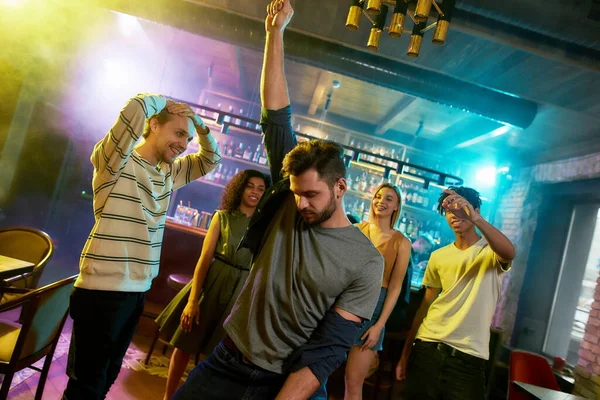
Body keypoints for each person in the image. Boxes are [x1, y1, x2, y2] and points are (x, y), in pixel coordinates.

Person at [172, 0, 384, 399]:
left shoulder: (367, 262)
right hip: (227, 359)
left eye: (312, 195)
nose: (301, 202)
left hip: (286, 382)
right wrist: (275, 33)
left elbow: (327, 351)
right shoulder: (289, 200)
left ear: (340, 188)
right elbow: (276, 116)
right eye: (296, 192)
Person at [63, 95, 221, 400]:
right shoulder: (116, 161)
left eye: (187, 138)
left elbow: (210, 160)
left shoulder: (168, 172)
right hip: (101, 290)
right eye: (178, 133)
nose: (184, 143)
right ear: (153, 125)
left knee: (106, 378)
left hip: (135, 291)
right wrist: (166, 102)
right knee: (86, 385)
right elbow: (135, 107)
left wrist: (199, 124)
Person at [156, 169, 271, 400]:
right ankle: (168, 397)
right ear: (240, 188)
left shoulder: (266, 225)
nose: (255, 192)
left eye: (261, 189)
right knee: (185, 343)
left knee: (219, 352)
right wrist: (192, 301)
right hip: (213, 283)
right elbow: (204, 259)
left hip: (242, 290)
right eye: (250, 186)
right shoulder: (222, 216)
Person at [396, 186, 516, 400]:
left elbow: (510, 252)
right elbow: (426, 306)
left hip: (468, 358)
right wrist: (405, 354)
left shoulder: (490, 252)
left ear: (475, 210)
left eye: (460, 209)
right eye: (450, 211)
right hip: (427, 349)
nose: (455, 215)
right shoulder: (439, 256)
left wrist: (474, 217)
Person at [344, 183, 411, 400]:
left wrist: (379, 325)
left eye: (389, 199)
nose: (381, 201)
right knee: (319, 373)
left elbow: (395, 287)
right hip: (344, 303)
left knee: (353, 384)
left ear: (396, 206)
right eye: (378, 196)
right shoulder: (357, 230)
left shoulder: (402, 242)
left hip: (374, 311)